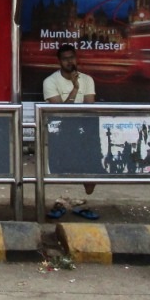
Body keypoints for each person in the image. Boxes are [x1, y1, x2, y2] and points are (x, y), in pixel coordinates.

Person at [43, 43, 98, 217]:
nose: (69, 62)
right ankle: (61, 200)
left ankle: (80, 199)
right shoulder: (50, 81)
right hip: (60, 129)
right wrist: (74, 89)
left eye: (72, 58)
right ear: (59, 61)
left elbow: (89, 107)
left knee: (91, 176)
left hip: (83, 129)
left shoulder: (87, 80)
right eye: (65, 59)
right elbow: (61, 112)